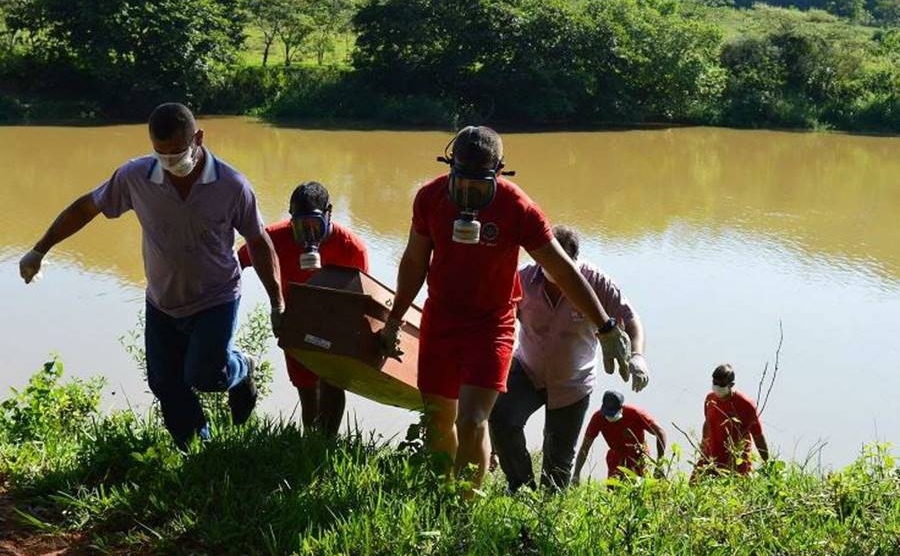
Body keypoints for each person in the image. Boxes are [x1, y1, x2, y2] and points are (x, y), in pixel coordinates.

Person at [376, 126, 635, 489]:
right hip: (441, 319)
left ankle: (465, 506)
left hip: (490, 326)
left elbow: (561, 268)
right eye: (459, 181)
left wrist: (606, 327)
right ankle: (443, 495)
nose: (467, 193)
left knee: (472, 421)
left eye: (478, 184)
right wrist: (393, 321)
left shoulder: (518, 209)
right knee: (437, 417)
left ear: (498, 173)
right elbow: (414, 262)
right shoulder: (430, 198)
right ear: (450, 168)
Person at [18, 103, 283, 450]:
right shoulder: (136, 177)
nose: (170, 161)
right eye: (161, 153)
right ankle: (196, 451)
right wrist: (40, 249)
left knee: (205, 375)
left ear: (198, 138)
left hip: (215, 297)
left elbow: (259, 241)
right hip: (163, 301)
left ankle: (242, 367)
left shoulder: (232, 185)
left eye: (177, 152)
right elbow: (87, 207)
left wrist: (277, 303)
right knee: (165, 383)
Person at [489, 225, 650, 492]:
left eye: (563, 265)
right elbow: (498, 316)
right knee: (502, 420)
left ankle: (548, 512)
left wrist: (637, 356)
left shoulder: (596, 282)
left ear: (574, 261)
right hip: (528, 369)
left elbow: (632, 319)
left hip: (573, 382)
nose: (557, 273)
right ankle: (521, 487)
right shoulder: (524, 279)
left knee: (558, 461)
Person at [238, 181, 368, 437]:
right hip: (295, 324)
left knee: (333, 386)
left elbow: (361, 299)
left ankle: (327, 444)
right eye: (301, 226)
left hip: (335, 325)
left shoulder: (351, 248)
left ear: (329, 213)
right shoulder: (274, 239)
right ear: (291, 220)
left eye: (315, 226)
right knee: (307, 390)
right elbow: (238, 262)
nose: (308, 234)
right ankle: (311, 442)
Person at [573, 390, 667, 482]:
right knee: (613, 490)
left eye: (613, 414)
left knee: (640, 487)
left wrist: (659, 463)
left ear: (621, 408)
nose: (610, 417)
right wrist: (576, 474)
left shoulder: (635, 414)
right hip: (616, 457)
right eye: (607, 413)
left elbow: (660, 432)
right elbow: (585, 447)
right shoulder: (598, 418)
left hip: (638, 456)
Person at [695, 363, 769, 476]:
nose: (717, 387)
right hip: (710, 458)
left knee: (734, 491)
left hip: (735, 462)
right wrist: (702, 449)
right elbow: (707, 423)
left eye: (722, 384)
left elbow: (758, 436)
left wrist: (767, 464)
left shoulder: (745, 405)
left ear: (731, 385)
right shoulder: (710, 400)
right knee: (695, 486)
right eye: (715, 383)